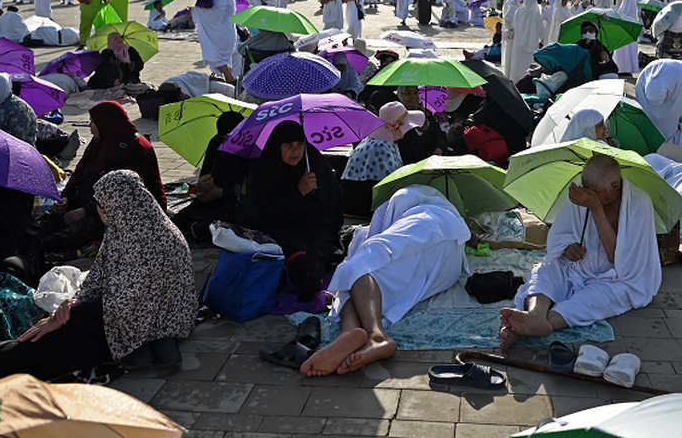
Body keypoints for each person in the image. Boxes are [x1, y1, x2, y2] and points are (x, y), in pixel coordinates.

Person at [0, 170, 199, 386]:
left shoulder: (156, 242)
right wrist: (74, 303)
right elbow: (102, 276)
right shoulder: (132, 226)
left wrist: (71, 315)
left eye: (101, 205)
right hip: (125, 316)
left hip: (144, 324)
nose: (99, 211)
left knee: (57, 340)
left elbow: (129, 306)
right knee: (52, 331)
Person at [301, 186, 469, 376]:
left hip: (421, 245)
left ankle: (373, 335)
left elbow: (381, 243)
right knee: (365, 277)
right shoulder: (450, 218)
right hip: (445, 272)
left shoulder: (416, 209)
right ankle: (351, 333)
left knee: (352, 268)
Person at [499, 156, 660, 349]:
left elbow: (619, 260)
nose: (585, 194)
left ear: (614, 188)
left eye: (593, 192)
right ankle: (534, 315)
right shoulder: (581, 192)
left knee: (592, 300)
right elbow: (561, 236)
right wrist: (568, 248)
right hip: (577, 267)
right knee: (545, 270)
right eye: (584, 187)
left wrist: (595, 208)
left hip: (617, 278)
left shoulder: (639, 204)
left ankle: (533, 327)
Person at [38, 102, 164, 253]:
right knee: (44, 224)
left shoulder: (136, 148)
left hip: (121, 210)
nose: (90, 126)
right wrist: (66, 198)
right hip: (90, 200)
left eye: (93, 122)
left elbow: (123, 195)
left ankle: (37, 249)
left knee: (73, 234)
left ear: (107, 122)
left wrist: (85, 211)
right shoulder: (100, 141)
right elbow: (80, 171)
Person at [241, 120, 344, 301]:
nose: (295, 150)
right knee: (288, 246)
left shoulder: (315, 163)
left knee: (323, 247)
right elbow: (261, 216)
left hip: (317, 231)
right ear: (277, 147)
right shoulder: (264, 170)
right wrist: (299, 192)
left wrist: (314, 198)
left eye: (299, 145)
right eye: (288, 145)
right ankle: (309, 274)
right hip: (280, 229)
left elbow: (333, 208)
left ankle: (313, 272)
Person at [171, 111, 249, 241]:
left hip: (235, 201)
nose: (226, 143)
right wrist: (201, 186)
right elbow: (207, 171)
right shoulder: (216, 142)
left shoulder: (248, 149)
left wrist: (222, 192)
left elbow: (251, 188)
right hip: (211, 199)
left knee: (222, 220)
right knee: (183, 218)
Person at [635, 58, 682, 151]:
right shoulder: (642, 81)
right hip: (662, 92)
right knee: (653, 127)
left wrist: (680, 114)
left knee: (681, 129)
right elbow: (643, 106)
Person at [192, 0, 240, 84]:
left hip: (223, 34)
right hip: (223, 32)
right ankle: (230, 82)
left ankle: (232, 82)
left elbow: (217, 14)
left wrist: (198, 10)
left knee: (217, 60)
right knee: (222, 62)